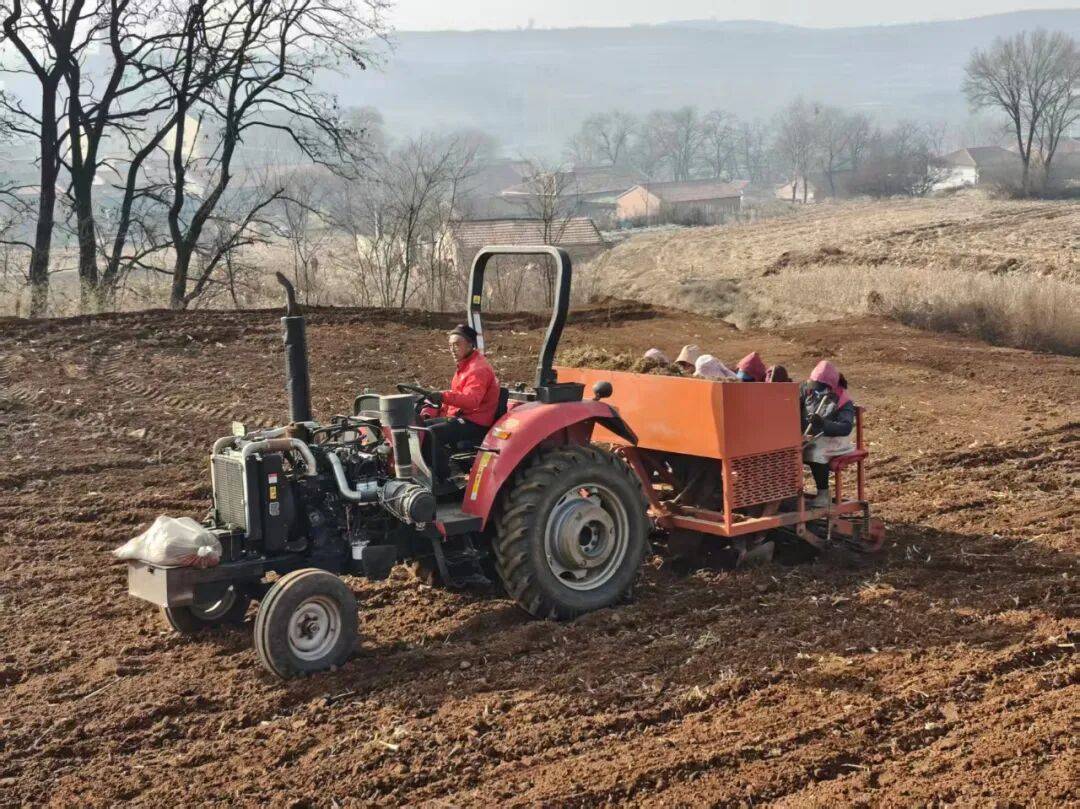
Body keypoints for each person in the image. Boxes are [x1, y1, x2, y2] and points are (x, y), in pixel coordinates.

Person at [421, 324, 500, 482]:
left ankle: (443, 478)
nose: (452, 349)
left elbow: (471, 400)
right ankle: (425, 472)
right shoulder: (465, 366)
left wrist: (443, 396)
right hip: (463, 416)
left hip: (476, 421)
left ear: (470, 344)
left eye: (457, 344)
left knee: (431, 434)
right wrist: (433, 410)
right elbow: (455, 397)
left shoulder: (478, 369)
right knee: (420, 428)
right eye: (450, 345)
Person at [801, 360, 856, 507]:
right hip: (815, 437)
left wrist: (823, 423)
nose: (816, 392)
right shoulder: (809, 392)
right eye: (814, 387)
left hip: (836, 439)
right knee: (792, 451)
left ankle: (823, 494)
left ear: (829, 386)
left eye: (820, 388)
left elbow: (845, 427)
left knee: (813, 452)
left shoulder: (843, 400)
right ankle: (791, 492)